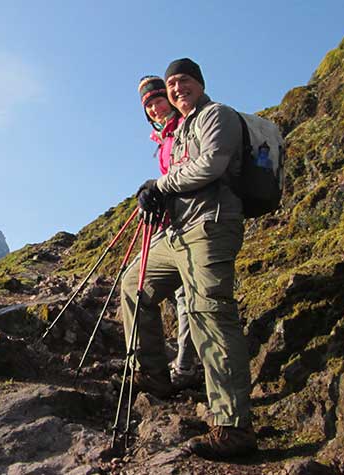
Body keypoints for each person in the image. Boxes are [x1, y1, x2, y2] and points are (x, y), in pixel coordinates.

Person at [120, 58, 255, 459]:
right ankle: (153, 375)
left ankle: (233, 426)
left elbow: (211, 164)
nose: (177, 89)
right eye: (172, 84)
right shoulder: (177, 132)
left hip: (211, 227)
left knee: (209, 313)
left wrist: (160, 184)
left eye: (184, 81)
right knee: (133, 284)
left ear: (199, 82)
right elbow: (178, 180)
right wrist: (156, 197)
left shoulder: (217, 115)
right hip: (177, 233)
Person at [136, 75, 200, 390]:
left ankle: (184, 367)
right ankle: (176, 364)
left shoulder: (185, 127)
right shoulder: (163, 138)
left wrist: (158, 189)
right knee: (176, 294)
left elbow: (185, 173)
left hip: (191, 222)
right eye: (148, 106)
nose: (155, 108)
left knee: (186, 295)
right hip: (172, 222)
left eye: (158, 100)